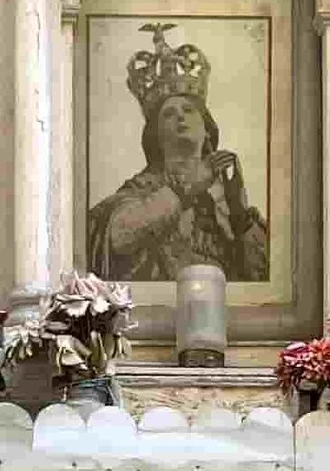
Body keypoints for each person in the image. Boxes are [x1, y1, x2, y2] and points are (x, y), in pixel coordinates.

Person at [86, 26, 270, 282]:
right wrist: (186, 188)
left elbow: (260, 277)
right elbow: (115, 237)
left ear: (207, 131)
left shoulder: (228, 197)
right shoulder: (139, 191)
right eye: (169, 114)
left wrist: (240, 216)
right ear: (156, 136)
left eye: (189, 110)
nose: (180, 116)